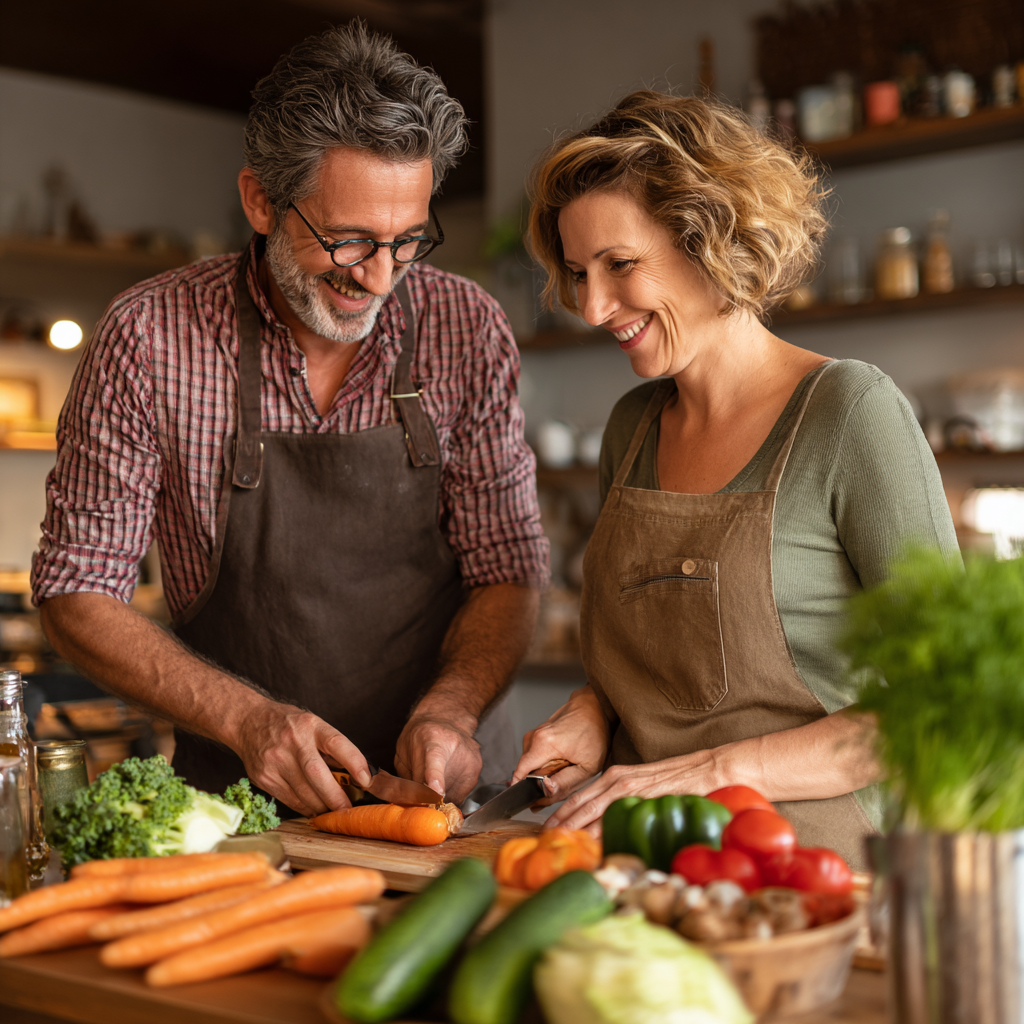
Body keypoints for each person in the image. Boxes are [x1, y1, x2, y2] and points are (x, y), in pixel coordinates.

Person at [31, 22, 548, 817]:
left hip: (445, 810)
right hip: (240, 816)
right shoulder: (150, 335)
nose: (380, 279)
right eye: (348, 242)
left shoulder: (464, 327)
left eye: (408, 240)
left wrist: (452, 708)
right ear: (261, 201)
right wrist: (246, 720)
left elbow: (507, 567)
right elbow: (76, 589)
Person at [511, 91, 959, 868]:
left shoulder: (849, 413)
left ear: (709, 240)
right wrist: (592, 711)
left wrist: (718, 771)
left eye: (620, 265)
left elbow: (942, 704)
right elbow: (649, 668)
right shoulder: (633, 426)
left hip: (809, 869)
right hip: (636, 857)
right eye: (579, 273)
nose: (591, 307)